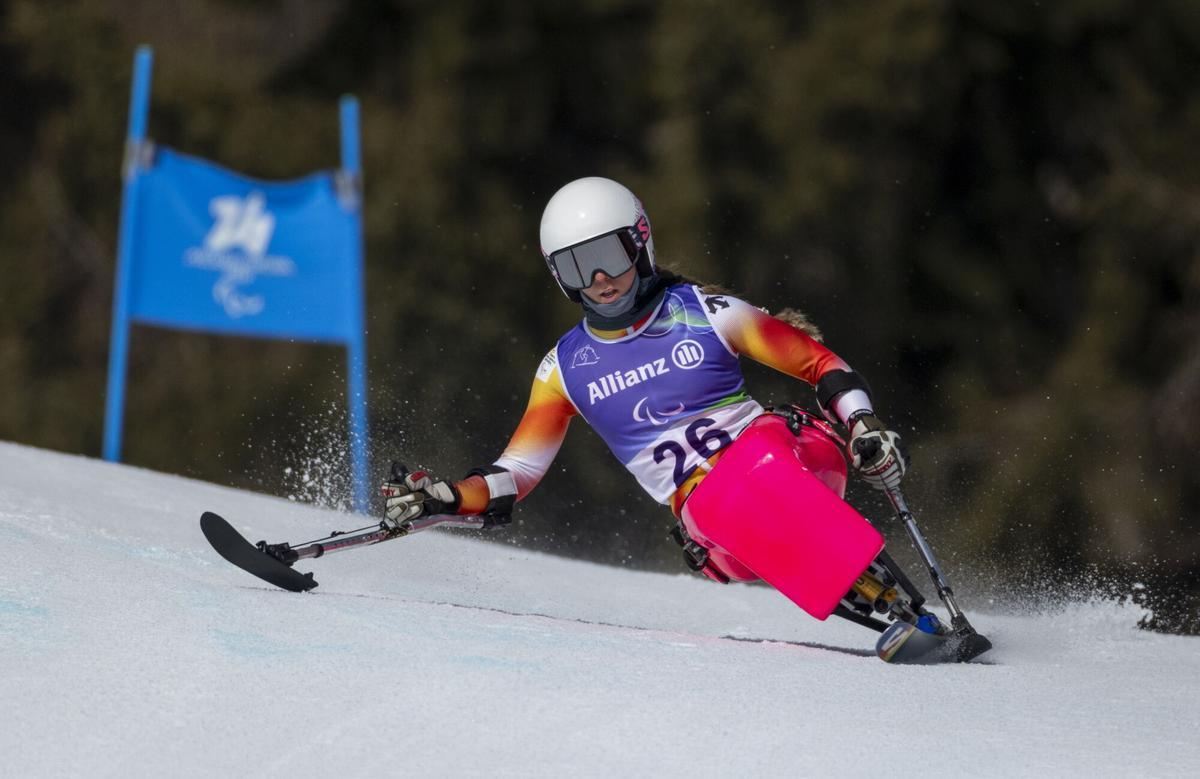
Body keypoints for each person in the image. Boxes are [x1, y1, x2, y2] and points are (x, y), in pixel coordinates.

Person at [381, 176, 909, 616]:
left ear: (639, 241)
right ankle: (863, 591)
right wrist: (448, 497)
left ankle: (891, 590)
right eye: (576, 267)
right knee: (711, 507)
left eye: (608, 255)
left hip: (791, 459)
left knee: (754, 462)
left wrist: (863, 423)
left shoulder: (704, 311)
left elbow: (820, 363)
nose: (600, 279)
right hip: (720, 528)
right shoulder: (563, 368)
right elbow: (515, 474)